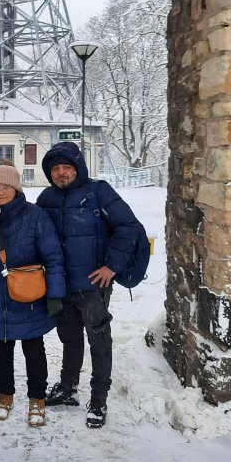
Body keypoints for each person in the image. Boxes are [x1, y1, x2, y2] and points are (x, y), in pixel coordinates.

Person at [36, 141, 145, 428]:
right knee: (69, 338)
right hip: (61, 285)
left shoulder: (98, 192)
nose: (61, 173)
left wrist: (113, 265)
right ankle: (68, 386)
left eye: (66, 167)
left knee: (99, 340)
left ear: (78, 169)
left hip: (93, 285)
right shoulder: (46, 198)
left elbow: (128, 226)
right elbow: (33, 232)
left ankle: (98, 399)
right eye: (55, 169)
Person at [0, 165, 65, 427]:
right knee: (1, 349)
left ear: (16, 189)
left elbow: (53, 257)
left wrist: (55, 294)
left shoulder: (36, 217)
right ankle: (5, 395)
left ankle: (37, 399)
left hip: (29, 296)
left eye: (6, 187)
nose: (0, 192)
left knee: (33, 349)